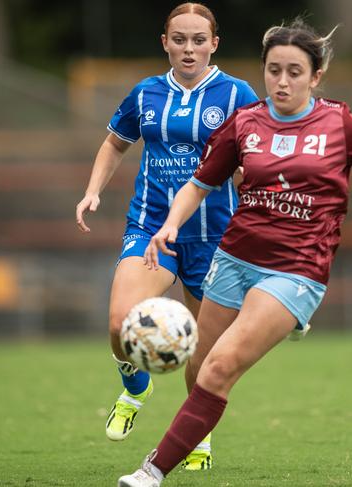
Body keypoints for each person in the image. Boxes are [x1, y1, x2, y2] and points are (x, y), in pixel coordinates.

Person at [116, 17, 352, 487]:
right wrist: (170, 224)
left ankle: (151, 471)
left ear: (316, 76)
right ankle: (198, 431)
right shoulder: (244, 122)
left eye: (294, 71)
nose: (282, 81)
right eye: (273, 70)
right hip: (234, 259)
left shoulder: (338, 123)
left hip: (296, 268)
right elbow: (199, 184)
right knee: (202, 363)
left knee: (221, 367)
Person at [75, 2, 258, 470]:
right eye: (180, 39)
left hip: (215, 239)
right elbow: (115, 142)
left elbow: (255, 162)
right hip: (151, 228)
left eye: (199, 40)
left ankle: (197, 440)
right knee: (120, 323)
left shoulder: (237, 94)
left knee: (202, 357)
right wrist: (93, 191)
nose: (189, 48)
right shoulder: (145, 94)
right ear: (165, 43)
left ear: (214, 43)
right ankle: (136, 387)